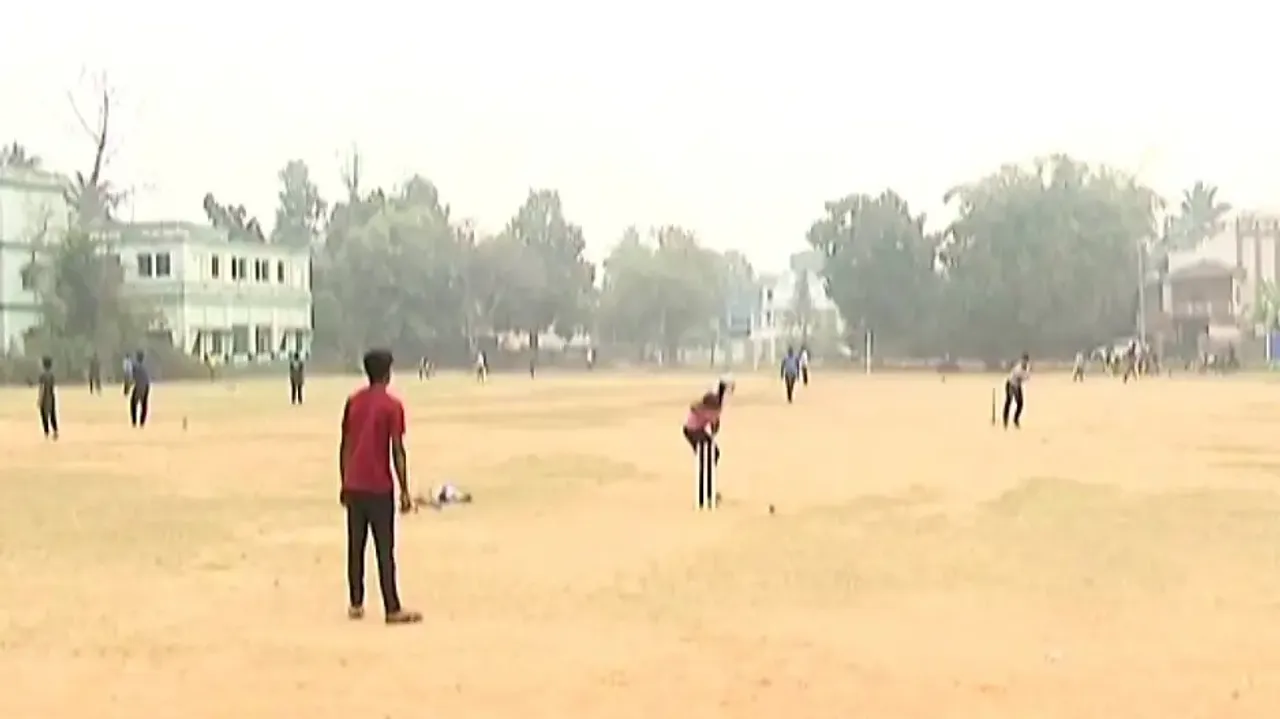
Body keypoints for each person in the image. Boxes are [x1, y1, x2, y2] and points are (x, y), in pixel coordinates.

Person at [339, 349, 421, 625]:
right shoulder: (392, 406)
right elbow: (397, 450)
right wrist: (405, 490)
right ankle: (392, 607)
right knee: (384, 549)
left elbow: (345, 445)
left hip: (354, 484)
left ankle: (356, 602)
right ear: (388, 373)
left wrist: (344, 481)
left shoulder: (353, 402)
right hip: (378, 486)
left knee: (356, 546)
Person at [1002, 353, 1030, 429]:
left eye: (1026, 360)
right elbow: (1015, 382)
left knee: (1020, 403)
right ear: (1021, 360)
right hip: (1011, 384)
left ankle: (1015, 419)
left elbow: (1026, 378)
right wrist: (1015, 392)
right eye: (1023, 360)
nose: (1025, 362)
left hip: (1017, 384)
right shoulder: (1018, 369)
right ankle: (1005, 421)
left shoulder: (1027, 368)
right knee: (1009, 401)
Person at [37, 356, 58, 440]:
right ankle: (55, 430)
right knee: (52, 413)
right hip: (51, 396)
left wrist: (39, 399)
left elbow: (42, 388)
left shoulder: (42, 375)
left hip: (45, 396)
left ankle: (46, 432)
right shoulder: (52, 375)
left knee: (43, 414)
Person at [129, 350, 150, 428]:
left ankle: (134, 422)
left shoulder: (135, 366)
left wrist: (127, 387)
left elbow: (132, 378)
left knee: (133, 404)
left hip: (139, 385)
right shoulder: (145, 366)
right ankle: (142, 422)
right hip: (146, 385)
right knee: (144, 404)